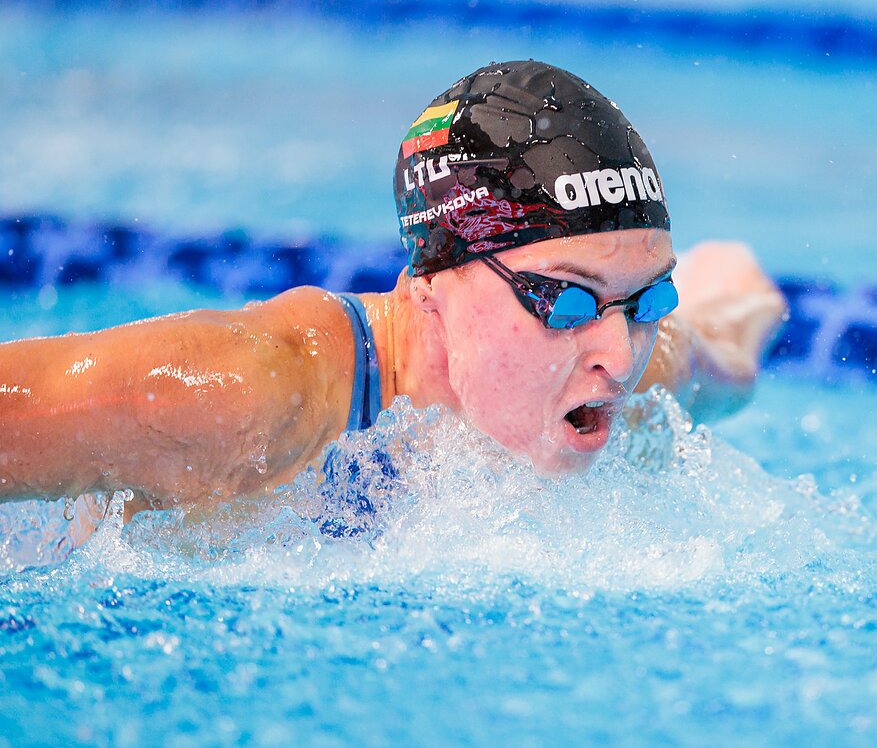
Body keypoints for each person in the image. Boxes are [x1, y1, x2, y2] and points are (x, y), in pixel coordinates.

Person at [0, 60, 786, 515]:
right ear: (431, 283)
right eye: (566, 300)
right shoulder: (248, 393)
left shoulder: (633, 370)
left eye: (647, 299)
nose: (618, 353)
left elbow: (736, 316)